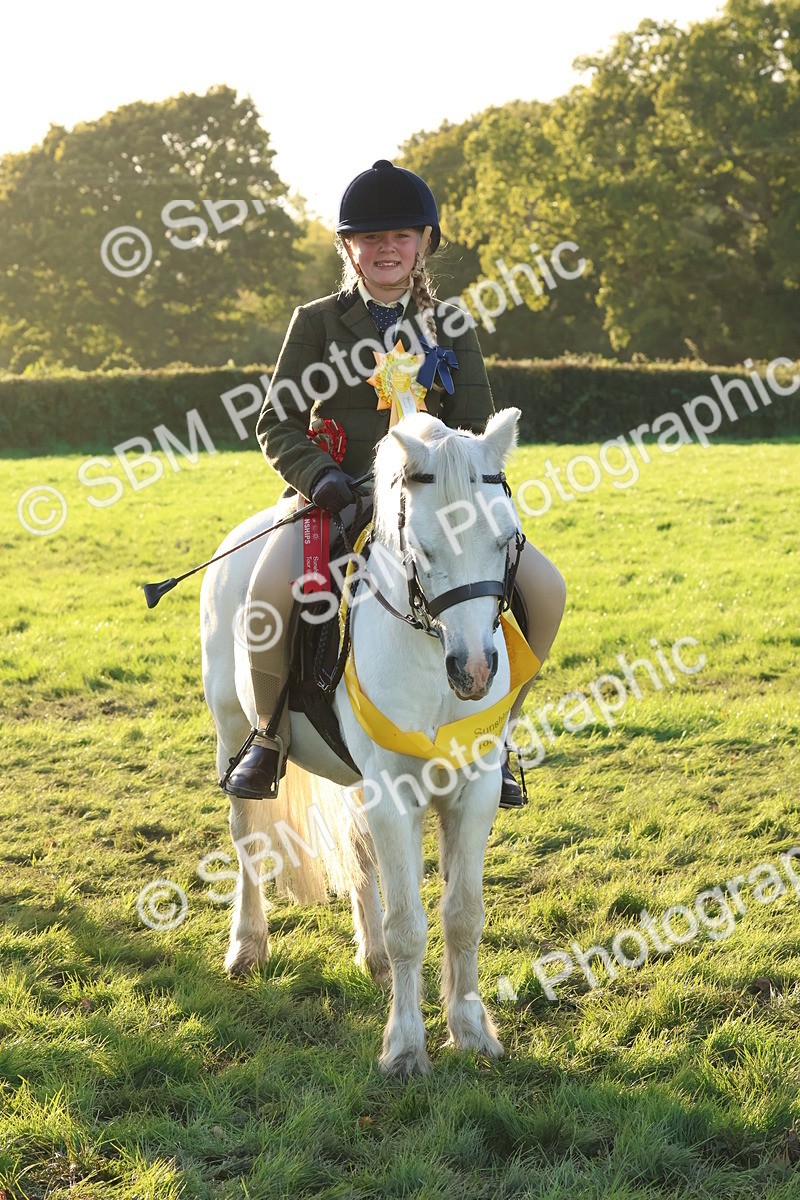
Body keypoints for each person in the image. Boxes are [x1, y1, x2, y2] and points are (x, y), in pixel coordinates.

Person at [222, 159, 566, 806]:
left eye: (401, 236)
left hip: (435, 503)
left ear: (424, 244)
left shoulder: (453, 325)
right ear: (348, 248)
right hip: (337, 498)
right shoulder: (317, 322)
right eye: (371, 239)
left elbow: (472, 424)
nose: (387, 249)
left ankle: (500, 737)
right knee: (268, 595)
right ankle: (268, 738)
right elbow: (277, 421)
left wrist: (468, 477)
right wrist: (319, 475)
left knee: (546, 591)